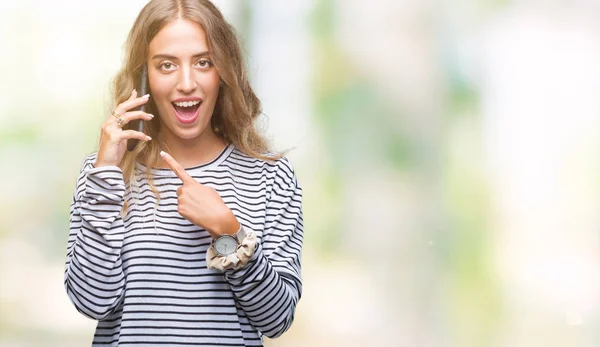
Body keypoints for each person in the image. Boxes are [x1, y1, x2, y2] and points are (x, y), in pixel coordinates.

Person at [63, 0, 303, 346]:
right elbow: (91, 301)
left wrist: (230, 233)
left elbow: (277, 320)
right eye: (167, 65)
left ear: (223, 72)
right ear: (145, 74)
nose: (186, 83)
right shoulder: (105, 172)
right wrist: (105, 175)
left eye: (203, 62)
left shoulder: (270, 175)